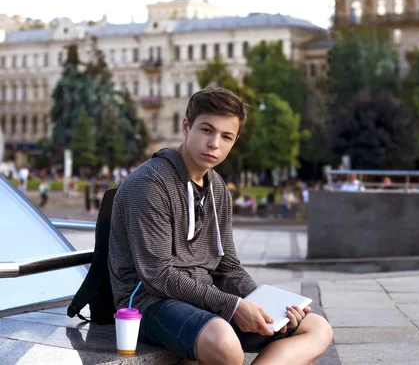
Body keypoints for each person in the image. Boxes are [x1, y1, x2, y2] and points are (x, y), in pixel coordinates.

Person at [108, 88, 332, 365]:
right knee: (224, 343)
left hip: (204, 301)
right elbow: (158, 274)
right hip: (147, 303)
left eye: (226, 136)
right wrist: (234, 305)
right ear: (187, 126)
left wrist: (261, 303)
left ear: (235, 140)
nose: (214, 143)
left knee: (317, 327)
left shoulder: (218, 189)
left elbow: (228, 268)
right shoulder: (150, 183)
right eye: (207, 130)